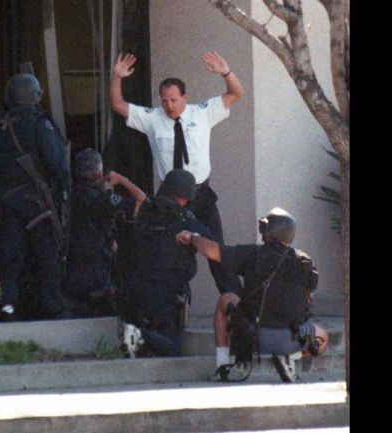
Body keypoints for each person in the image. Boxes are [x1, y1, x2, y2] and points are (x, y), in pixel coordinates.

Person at [110, 51, 244, 297]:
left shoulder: (201, 113)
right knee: (165, 251)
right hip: (169, 199)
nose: (169, 105)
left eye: (173, 100)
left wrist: (226, 72)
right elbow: (117, 105)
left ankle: (235, 305)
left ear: (184, 97)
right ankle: (167, 306)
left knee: (216, 249)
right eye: (164, 101)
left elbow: (236, 93)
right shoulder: (153, 118)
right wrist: (117, 78)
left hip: (201, 193)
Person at [177, 207, 329, 382]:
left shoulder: (253, 254)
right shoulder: (306, 263)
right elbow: (307, 300)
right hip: (291, 337)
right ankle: (291, 357)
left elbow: (212, 250)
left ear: (268, 231)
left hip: (253, 337)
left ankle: (223, 365)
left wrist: (192, 237)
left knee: (225, 299)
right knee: (322, 337)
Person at [0, 73, 70, 320]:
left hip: (6, 201)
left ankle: (8, 306)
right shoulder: (39, 124)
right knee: (48, 255)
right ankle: (51, 306)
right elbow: (57, 163)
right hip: (37, 202)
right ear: (33, 95)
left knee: (10, 258)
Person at [115, 169, 212, 357]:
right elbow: (211, 242)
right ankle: (137, 334)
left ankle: (139, 336)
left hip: (138, 287)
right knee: (173, 349)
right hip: (167, 293)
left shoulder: (145, 212)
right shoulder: (184, 219)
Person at [64, 148, 146, 319]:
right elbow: (142, 202)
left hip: (71, 269)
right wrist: (122, 180)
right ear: (100, 174)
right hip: (95, 272)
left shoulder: (70, 195)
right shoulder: (101, 199)